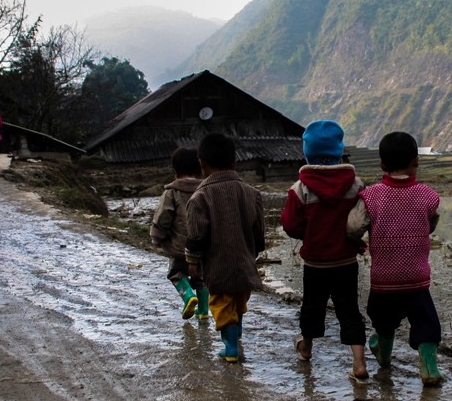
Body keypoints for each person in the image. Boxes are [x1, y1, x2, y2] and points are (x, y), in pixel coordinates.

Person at [347, 131, 444, 387]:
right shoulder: (427, 195)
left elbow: (353, 228)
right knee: (426, 323)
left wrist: (359, 241)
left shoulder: (371, 196)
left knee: (383, 320)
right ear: (416, 161)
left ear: (381, 164)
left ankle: (384, 354)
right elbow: (431, 223)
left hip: (384, 278)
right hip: (416, 276)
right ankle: (429, 367)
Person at [281, 120, 369, 384]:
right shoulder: (357, 185)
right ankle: (359, 362)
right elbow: (362, 220)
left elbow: (290, 225)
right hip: (346, 261)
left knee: (312, 307)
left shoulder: (300, 188)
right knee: (349, 310)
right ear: (339, 151)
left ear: (307, 152)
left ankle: (306, 348)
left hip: (316, 263)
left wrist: (308, 235)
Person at [185, 133, 266, 362]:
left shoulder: (200, 197)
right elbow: (258, 231)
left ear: (201, 164)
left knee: (221, 304)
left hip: (218, 264)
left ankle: (230, 348)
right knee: (239, 302)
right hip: (244, 262)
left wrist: (192, 262)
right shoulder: (252, 193)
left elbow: (196, 236)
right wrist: (254, 252)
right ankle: (237, 336)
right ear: (234, 162)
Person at [150, 147, 210, 321]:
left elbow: (163, 217)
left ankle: (187, 297)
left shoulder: (171, 192)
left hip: (179, 247)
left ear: (175, 170)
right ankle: (204, 311)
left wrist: (157, 237)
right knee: (201, 277)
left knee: (176, 274)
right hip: (201, 246)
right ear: (200, 168)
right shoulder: (206, 190)